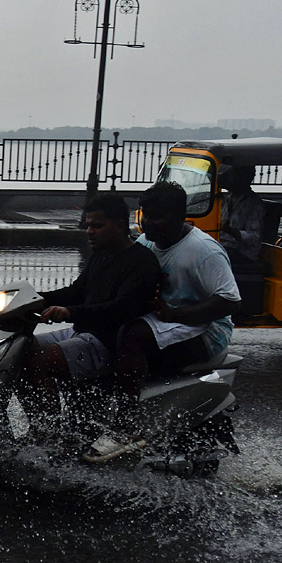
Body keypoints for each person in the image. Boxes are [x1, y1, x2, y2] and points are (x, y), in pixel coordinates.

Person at [89, 181, 242, 461]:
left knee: (133, 336)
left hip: (207, 331)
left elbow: (230, 300)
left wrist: (175, 315)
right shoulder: (147, 242)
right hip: (165, 322)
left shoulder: (203, 251)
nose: (147, 223)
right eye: (144, 214)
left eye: (156, 217)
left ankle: (125, 428)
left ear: (180, 217)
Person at [20, 192, 160, 437]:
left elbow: (121, 308)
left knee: (40, 360)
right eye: (87, 226)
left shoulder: (142, 261)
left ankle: (50, 435)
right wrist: (33, 299)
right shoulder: (102, 255)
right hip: (83, 330)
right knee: (18, 350)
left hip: (107, 342)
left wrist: (69, 312)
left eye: (97, 225)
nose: (89, 231)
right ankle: (39, 426)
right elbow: (77, 291)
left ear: (119, 225)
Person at [219, 165, 266, 271]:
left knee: (212, 255)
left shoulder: (254, 203)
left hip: (244, 252)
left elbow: (254, 237)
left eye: (232, 176)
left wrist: (230, 230)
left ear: (243, 178)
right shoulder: (227, 199)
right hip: (225, 246)